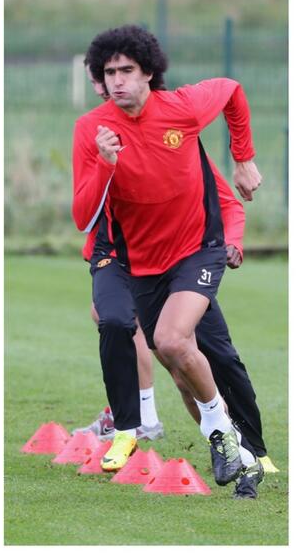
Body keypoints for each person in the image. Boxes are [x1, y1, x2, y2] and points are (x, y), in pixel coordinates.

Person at [72, 25, 262, 493]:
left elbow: (233, 91)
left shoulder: (183, 107)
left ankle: (223, 435)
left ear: (149, 72)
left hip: (199, 248)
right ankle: (236, 450)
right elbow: (82, 216)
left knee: (175, 342)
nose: (117, 80)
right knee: (178, 364)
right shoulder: (91, 130)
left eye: (127, 70)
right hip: (141, 263)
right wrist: (104, 163)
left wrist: (244, 157)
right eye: (109, 72)